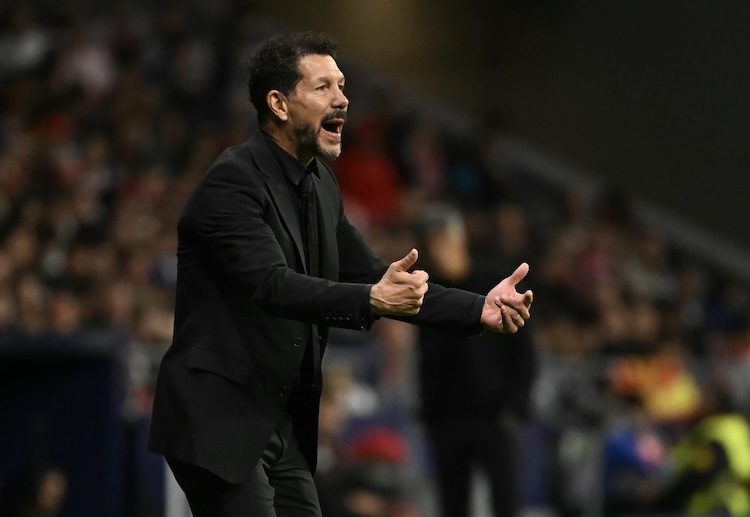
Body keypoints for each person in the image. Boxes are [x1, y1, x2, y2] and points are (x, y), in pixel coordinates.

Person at [148, 31, 533, 517]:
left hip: (279, 422)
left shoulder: (321, 185)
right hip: (220, 417)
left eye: (343, 86)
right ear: (279, 104)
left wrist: (479, 308)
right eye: (323, 87)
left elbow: (373, 275)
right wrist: (371, 299)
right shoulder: (232, 181)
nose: (343, 99)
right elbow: (271, 285)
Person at [414, 205, 536, 517]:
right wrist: (430, 413)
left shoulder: (493, 282)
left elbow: (523, 352)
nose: (441, 248)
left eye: (445, 238)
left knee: (505, 501)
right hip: (448, 418)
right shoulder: (429, 294)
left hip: (495, 415)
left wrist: (513, 408)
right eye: (434, 241)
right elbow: (426, 360)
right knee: (452, 503)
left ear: (461, 238)